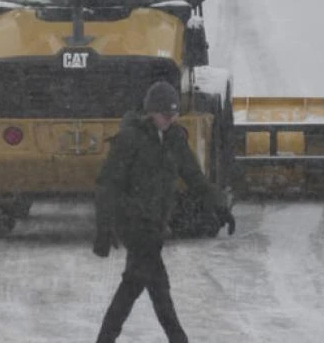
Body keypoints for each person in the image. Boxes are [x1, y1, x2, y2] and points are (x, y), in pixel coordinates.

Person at [93, 80, 236, 343]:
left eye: (173, 115)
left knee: (142, 285)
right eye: (164, 115)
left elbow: (194, 177)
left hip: (156, 223)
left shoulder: (174, 139)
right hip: (133, 223)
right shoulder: (130, 139)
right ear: (150, 112)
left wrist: (219, 206)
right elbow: (107, 185)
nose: (169, 120)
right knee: (145, 285)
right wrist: (104, 227)